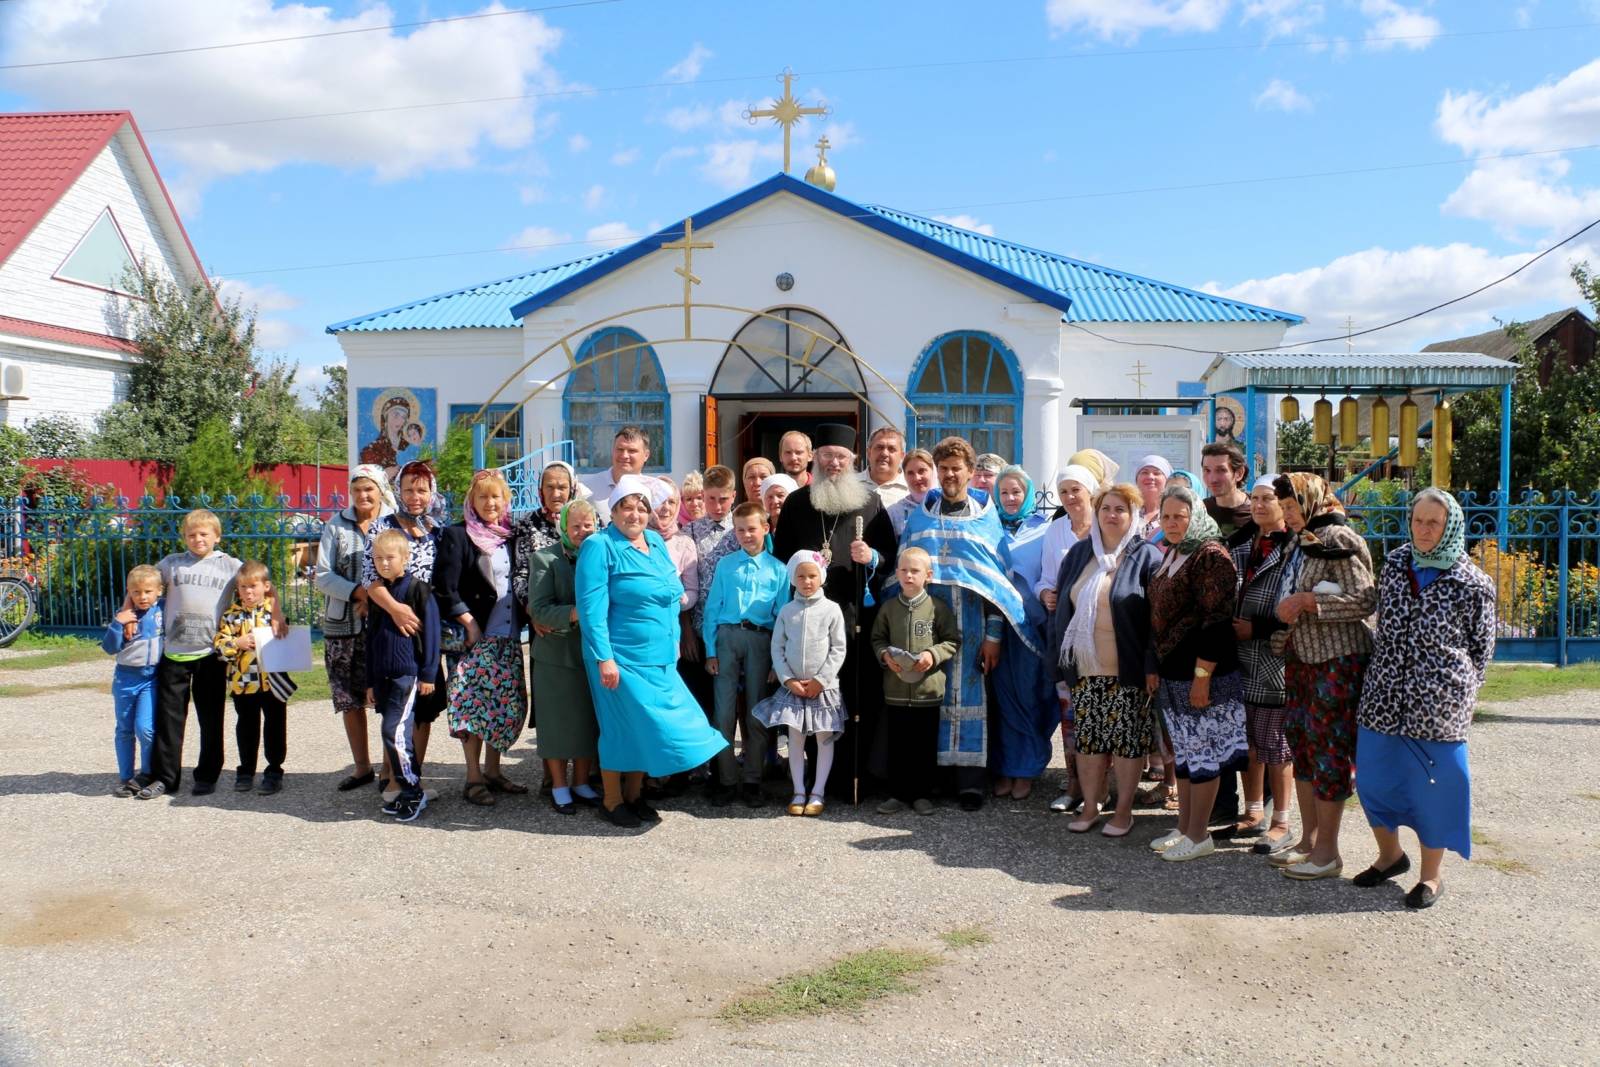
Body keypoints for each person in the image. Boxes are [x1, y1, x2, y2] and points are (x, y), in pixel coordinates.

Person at [1354, 489, 1495, 909]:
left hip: (1439, 707)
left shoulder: (1473, 582)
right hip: (1383, 696)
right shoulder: (1397, 564)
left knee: (1438, 787)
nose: (1424, 529)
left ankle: (1431, 876)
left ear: (1450, 525)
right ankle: (1390, 856)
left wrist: (1457, 691)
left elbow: (1481, 649)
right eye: (1418, 520)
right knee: (1374, 781)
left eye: (1434, 522)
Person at [576, 476, 729, 828]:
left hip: (659, 656)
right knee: (619, 728)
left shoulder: (657, 544)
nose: (635, 514)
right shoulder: (600, 546)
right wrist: (604, 658)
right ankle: (612, 800)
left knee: (647, 727)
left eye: (642, 507)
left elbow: (672, 594)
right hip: (619, 656)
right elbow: (591, 610)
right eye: (627, 507)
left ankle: (634, 795)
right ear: (612, 511)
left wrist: (673, 644)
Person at [895, 436, 1037, 811]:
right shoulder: (921, 516)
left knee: (971, 697)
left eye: (957, 468)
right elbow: (903, 571)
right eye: (944, 469)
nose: (950, 475)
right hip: (928, 624)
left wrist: (994, 636)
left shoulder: (985, 520)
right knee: (932, 699)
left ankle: (971, 782)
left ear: (970, 472)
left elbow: (997, 585)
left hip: (973, 624)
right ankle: (936, 780)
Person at [770, 423, 899, 799]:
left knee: (852, 698)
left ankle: (853, 776)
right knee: (810, 697)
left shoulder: (869, 502)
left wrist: (871, 556)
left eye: (841, 457)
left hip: (854, 617)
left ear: (852, 460)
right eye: (827, 456)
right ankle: (812, 782)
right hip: (807, 619)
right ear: (816, 458)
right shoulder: (797, 503)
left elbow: (890, 557)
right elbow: (781, 563)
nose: (833, 463)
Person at [1269, 472, 1377, 881]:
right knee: (1303, 744)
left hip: (1337, 661)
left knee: (1329, 749)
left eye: (1292, 505)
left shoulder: (1340, 539)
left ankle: (1329, 852)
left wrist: (1310, 602)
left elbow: (1366, 599)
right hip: (1301, 659)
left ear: (1312, 500)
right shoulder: (1303, 539)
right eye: (1284, 507)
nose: (1287, 513)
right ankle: (1309, 841)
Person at [139, 509, 284, 801]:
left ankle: (207, 774)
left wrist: (277, 614)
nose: (197, 539)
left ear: (217, 536)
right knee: (169, 719)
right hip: (175, 653)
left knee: (211, 717)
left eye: (204, 534)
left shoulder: (230, 565)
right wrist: (130, 612)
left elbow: (262, 584)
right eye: (191, 534)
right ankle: (166, 777)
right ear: (184, 537)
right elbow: (145, 585)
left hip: (210, 654)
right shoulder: (172, 564)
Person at [1049, 484, 1163, 837]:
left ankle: (1123, 811)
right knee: (1089, 742)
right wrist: (1059, 662)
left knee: (1127, 743)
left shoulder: (1147, 557)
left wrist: (1150, 665)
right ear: (1096, 514)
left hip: (1127, 670)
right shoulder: (1080, 554)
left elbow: (1157, 621)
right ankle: (1089, 806)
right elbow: (1061, 611)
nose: (1112, 515)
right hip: (1085, 669)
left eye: (1121, 510)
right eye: (1106, 509)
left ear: (1133, 516)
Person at [1146, 485, 1249, 862]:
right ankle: (1185, 827)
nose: (1172, 523)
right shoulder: (1174, 551)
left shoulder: (1210, 556)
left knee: (1205, 754)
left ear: (1195, 518)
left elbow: (1217, 622)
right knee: (1188, 755)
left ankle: (1199, 835)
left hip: (1203, 675)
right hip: (1173, 673)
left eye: (1180, 516)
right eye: (1166, 516)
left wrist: (1203, 677)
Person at [435, 469, 529, 807]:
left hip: (507, 637)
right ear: (472, 501)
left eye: (497, 496)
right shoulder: (457, 535)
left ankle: (493, 771)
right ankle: (473, 777)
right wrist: (468, 621)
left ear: (506, 501)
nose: (490, 502)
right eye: (483, 496)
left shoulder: (510, 536)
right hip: (474, 641)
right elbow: (444, 588)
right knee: (472, 708)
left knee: (502, 706)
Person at [360, 461, 446, 797]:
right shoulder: (382, 527)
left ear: (431, 492)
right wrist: (396, 609)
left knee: (423, 705)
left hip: (425, 628)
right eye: (409, 488)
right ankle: (390, 775)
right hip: (390, 621)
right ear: (398, 491)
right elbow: (369, 579)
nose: (415, 496)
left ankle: (414, 776)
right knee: (395, 707)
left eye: (421, 489)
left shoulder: (436, 529)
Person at [702, 501, 787, 807]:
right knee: (723, 713)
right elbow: (712, 609)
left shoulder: (779, 570)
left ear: (765, 528)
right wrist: (710, 650)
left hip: (760, 640)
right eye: (740, 530)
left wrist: (778, 661)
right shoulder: (727, 565)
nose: (746, 535)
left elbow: (782, 618)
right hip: (727, 637)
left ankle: (752, 779)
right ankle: (725, 779)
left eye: (752, 529)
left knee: (756, 712)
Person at [315, 464, 394, 793]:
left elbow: (401, 563)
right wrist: (357, 592)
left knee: (389, 698)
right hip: (343, 627)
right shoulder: (337, 525)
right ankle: (362, 767)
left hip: (384, 624)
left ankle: (391, 768)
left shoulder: (392, 521)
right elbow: (322, 575)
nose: (363, 495)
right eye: (357, 490)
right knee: (350, 700)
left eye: (369, 489)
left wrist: (375, 595)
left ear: (379, 490)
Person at [1229, 475, 1297, 853]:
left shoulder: (1294, 546)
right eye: (1253, 498)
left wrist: (1258, 627)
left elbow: (1297, 602)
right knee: (1249, 741)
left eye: (1266, 498)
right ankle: (1252, 810)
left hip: (1273, 654)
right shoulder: (1241, 542)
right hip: (1240, 658)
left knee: (1275, 743)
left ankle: (1281, 820)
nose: (1257, 505)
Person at [752, 550, 848, 816]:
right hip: (793, 688)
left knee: (823, 739)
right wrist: (788, 679)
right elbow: (777, 648)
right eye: (801, 576)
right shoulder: (787, 611)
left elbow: (838, 649)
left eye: (812, 576)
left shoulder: (831, 610)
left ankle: (818, 792)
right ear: (793, 579)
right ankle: (798, 791)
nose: (807, 581)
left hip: (823, 689)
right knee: (795, 739)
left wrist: (821, 680)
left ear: (821, 577)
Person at [527, 500, 604, 815]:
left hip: (591, 652)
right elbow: (540, 607)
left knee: (587, 720)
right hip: (556, 654)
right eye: (576, 526)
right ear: (563, 528)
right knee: (556, 723)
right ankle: (559, 785)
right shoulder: (545, 559)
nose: (582, 532)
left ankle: (581, 782)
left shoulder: (602, 556)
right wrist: (576, 613)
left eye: (588, 526)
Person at [871, 547, 960, 815]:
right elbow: (877, 639)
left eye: (915, 571)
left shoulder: (938, 609)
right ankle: (897, 794)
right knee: (898, 745)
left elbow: (952, 641)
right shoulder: (888, 608)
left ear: (928, 575)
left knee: (923, 745)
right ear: (897, 573)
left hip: (927, 692)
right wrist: (885, 655)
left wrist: (932, 655)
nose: (909, 575)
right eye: (904, 570)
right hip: (896, 690)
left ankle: (922, 794)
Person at [990, 465, 1056, 801]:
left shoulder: (1044, 529)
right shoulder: (988, 527)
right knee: (1003, 700)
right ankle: (1005, 767)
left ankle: (1027, 768)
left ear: (1028, 494)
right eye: (1004, 492)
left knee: (1030, 696)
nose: (1011, 498)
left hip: (1033, 627)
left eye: (1016, 492)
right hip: (997, 626)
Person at [364, 528, 439, 822]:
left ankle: (411, 791)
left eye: (390, 557)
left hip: (407, 675)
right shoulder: (379, 595)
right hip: (382, 676)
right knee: (395, 734)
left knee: (393, 732)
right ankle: (410, 787)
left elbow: (431, 634)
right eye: (378, 558)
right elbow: (371, 639)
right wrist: (369, 681)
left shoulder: (418, 590)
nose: (384, 563)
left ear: (405, 559)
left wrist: (429, 674)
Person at [213, 560, 298, 795]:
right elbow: (219, 646)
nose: (248, 592)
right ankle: (246, 770)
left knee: (275, 726)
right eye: (243, 587)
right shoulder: (231, 616)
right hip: (243, 684)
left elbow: (288, 639)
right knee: (247, 727)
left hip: (273, 682)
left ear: (266, 586)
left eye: (254, 586)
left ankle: (274, 770)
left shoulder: (275, 612)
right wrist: (236, 643)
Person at [103, 564, 163, 797]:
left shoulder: (162, 610)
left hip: (151, 679)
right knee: (125, 729)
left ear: (159, 591)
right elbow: (109, 648)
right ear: (129, 592)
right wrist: (118, 623)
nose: (143, 596)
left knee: (146, 728)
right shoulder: (125, 615)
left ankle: (146, 774)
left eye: (148, 591)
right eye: (136, 592)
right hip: (126, 678)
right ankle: (126, 777)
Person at [685, 465, 739, 717]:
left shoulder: (742, 529)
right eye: (711, 499)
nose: (718, 506)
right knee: (702, 699)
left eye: (724, 499)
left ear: (734, 496)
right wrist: (686, 629)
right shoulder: (691, 532)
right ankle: (708, 757)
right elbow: (682, 584)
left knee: (733, 701)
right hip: (699, 627)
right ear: (703, 496)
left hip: (734, 627)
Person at [511, 460, 581, 607]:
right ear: (541, 489)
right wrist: (534, 612)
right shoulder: (527, 524)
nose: (556, 494)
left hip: (583, 609)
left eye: (562, 487)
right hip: (542, 614)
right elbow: (520, 575)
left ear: (572, 489)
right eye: (549, 487)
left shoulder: (588, 520)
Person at [1035, 465, 1099, 612]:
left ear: (1089, 492)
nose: (1069, 496)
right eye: (1063, 492)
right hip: (1065, 612)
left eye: (1075, 490)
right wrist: (1046, 595)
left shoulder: (1103, 523)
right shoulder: (1055, 529)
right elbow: (1047, 580)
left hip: (1099, 610)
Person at [582, 426, 651, 524]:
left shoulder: (653, 491)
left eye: (632, 451)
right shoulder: (587, 488)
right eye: (620, 449)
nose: (624, 455)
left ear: (646, 455)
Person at [1201, 442, 1254, 545]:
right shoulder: (1200, 511)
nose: (1213, 479)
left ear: (1239, 473)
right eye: (1207, 470)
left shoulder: (1257, 510)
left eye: (1221, 470)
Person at [885, 448, 935, 537]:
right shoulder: (894, 512)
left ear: (933, 471)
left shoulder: (947, 506)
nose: (917, 478)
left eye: (922, 471)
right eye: (910, 473)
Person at [862, 426, 909, 507]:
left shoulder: (912, 489)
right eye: (879, 447)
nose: (884, 454)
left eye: (891, 449)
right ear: (869, 453)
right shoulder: (851, 485)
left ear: (902, 456)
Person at [1133, 455, 1172, 540]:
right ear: (1137, 480)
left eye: (1157, 473)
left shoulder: (1173, 512)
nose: (1150, 477)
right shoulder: (1127, 510)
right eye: (1144, 472)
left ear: (1167, 480)